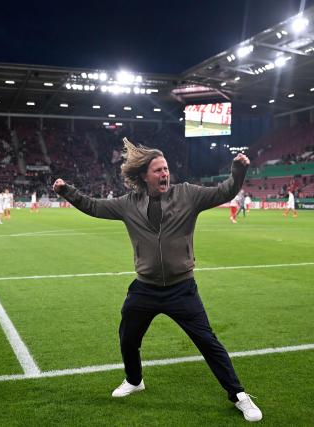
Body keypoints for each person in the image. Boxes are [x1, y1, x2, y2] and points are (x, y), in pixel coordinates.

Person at [52, 138, 262, 422]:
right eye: (158, 171)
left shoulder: (188, 194)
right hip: (145, 289)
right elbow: (94, 206)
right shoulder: (128, 204)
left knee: (207, 342)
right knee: (128, 338)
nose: (164, 174)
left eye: (166, 169)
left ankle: (238, 395)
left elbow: (225, 191)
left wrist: (238, 171)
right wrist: (67, 191)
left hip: (182, 289)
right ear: (143, 176)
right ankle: (134, 380)